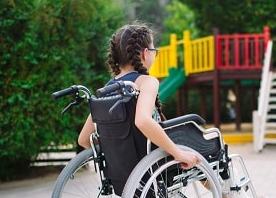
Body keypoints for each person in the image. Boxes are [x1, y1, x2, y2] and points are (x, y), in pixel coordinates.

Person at [78, 23, 200, 171]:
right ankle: (226, 194)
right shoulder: (146, 82)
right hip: (157, 166)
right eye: (154, 51)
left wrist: (114, 150)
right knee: (205, 150)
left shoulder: (107, 89)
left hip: (124, 170)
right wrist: (178, 153)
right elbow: (143, 121)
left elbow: (84, 139)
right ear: (145, 53)